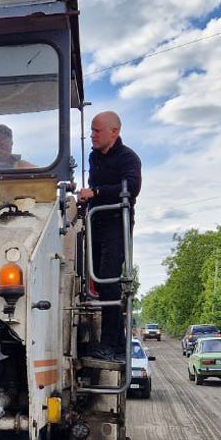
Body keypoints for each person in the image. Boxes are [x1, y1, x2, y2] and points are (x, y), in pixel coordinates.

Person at [77, 111, 141, 360]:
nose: (92, 135)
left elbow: (131, 188)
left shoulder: (128, 158)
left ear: (114, 132)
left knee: (110, 283)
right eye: (91, 130)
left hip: (116, 225)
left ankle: (112, 345)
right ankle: (104, 341)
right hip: (96, 223)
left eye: (97, 131)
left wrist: (95, 192)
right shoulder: (94, 157)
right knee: (96, 282)